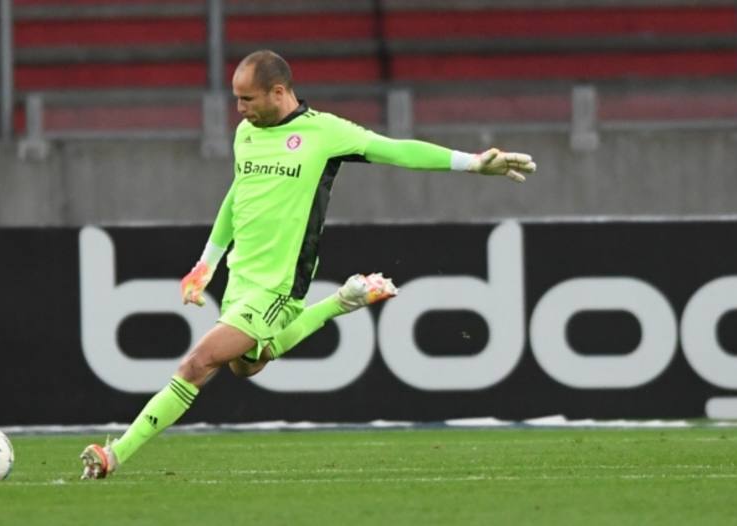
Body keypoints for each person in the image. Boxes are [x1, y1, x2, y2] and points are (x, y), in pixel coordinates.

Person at [80, 49, 536, 479]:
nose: (238, 109)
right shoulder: (246, 134)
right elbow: (237, 196)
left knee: (198, 363)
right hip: (242, 276)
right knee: (246, 366)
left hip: (280, 283)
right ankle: (342, 301)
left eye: (247, 99)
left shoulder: (325, 133)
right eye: (236, 98)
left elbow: (397, 150)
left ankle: (114, 453)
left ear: (278, 92)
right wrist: (206, 264)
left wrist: (472, 163)